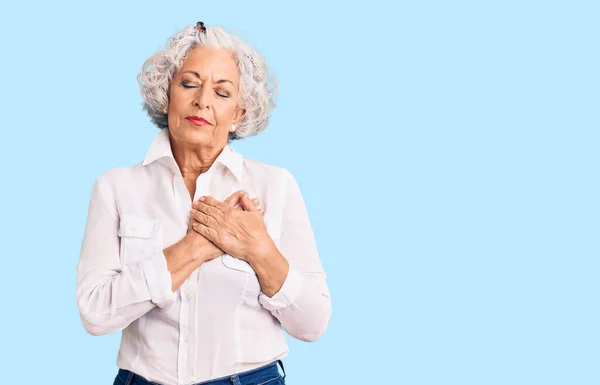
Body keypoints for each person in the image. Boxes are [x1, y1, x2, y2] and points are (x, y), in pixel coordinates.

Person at [76, 21, 332, 385]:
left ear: (239, 115)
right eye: (189, 83)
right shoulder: (116, 187)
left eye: (223, 93)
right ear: (167, 95)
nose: (203, 100)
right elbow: (96, 313)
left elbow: (313, 322)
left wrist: (258, 250)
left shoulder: (275, 186)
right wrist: (194, 248)